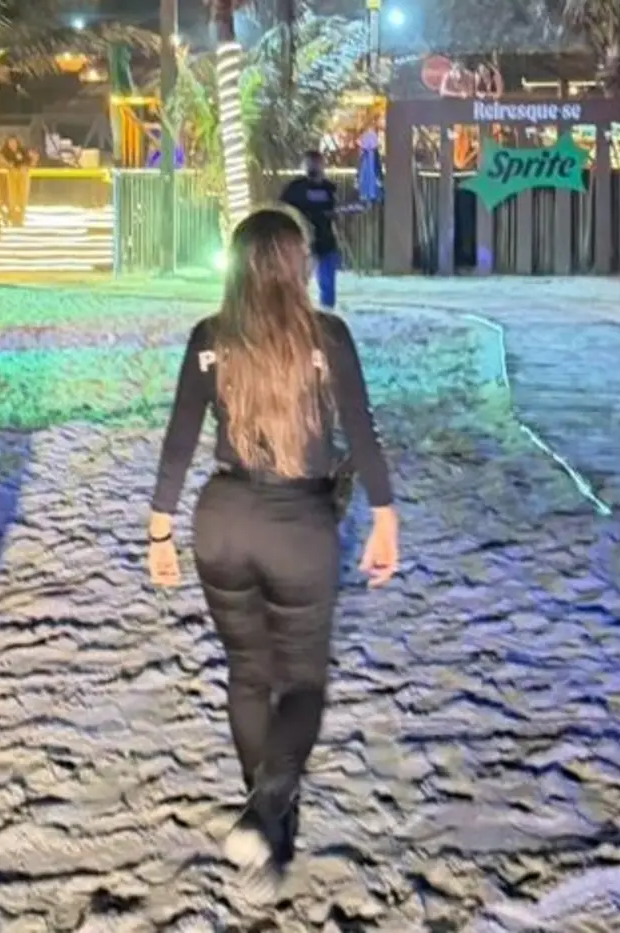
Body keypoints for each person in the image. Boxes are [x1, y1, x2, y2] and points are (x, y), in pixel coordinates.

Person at [146, 206, 400, 890]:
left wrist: (160, 525)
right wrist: (385, 514)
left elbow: (178, 438)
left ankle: (270, 840)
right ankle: (264, 814)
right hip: (298, 523)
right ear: (296, 266)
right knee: (303, 683)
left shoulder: (210, 338)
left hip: (223, 518)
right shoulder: (327, 336)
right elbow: (362, 432)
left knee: (250, 674)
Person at [280, 150, 348, 311]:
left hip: (325, 240)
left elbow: (334, 210)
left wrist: (335, 215)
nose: (314, 167)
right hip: (301, 241)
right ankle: (296, 312)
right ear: (304, 166)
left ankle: (327, 311)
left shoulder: (329, 188)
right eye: (310, 164)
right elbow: (284, 209)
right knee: (299, 281)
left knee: (327, 283)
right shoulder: (295, 189)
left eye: (317, 164)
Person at [0, 135, 34, 225]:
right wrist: (8, 165)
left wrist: (25, 166)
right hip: (11, 175)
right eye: (10, 142)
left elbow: (30, 161)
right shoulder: (4, 152)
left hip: (23, 175)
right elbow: (0, 161)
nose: (12, 144)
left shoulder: (23, 151)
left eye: (14, 142)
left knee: (23, 194)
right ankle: (13, 213)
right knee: (12, 195)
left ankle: (21, 214)